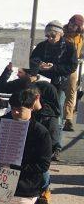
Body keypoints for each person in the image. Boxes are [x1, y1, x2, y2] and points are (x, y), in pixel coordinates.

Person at [30, 20, 78, 153]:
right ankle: (42, 143)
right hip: (42, 84)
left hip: (59, 84)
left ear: (60, 35)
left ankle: (56, 145)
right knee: (41, 112)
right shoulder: (41, 46)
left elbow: (72, 66)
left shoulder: (69, 47)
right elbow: (32, 60)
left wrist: (54, 67)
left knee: (57, 114)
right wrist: (39, 65)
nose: (50, 38)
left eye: (53, 35)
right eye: (48, 36)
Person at [63, 14, 84, 131]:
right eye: (71, 23)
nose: (72, 26)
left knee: (71, 92)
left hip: (73, 67)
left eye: (75, 25)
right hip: (60, 66)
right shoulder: (61, 33)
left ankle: (68, 119)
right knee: (58, 92)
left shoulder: (80, 36)